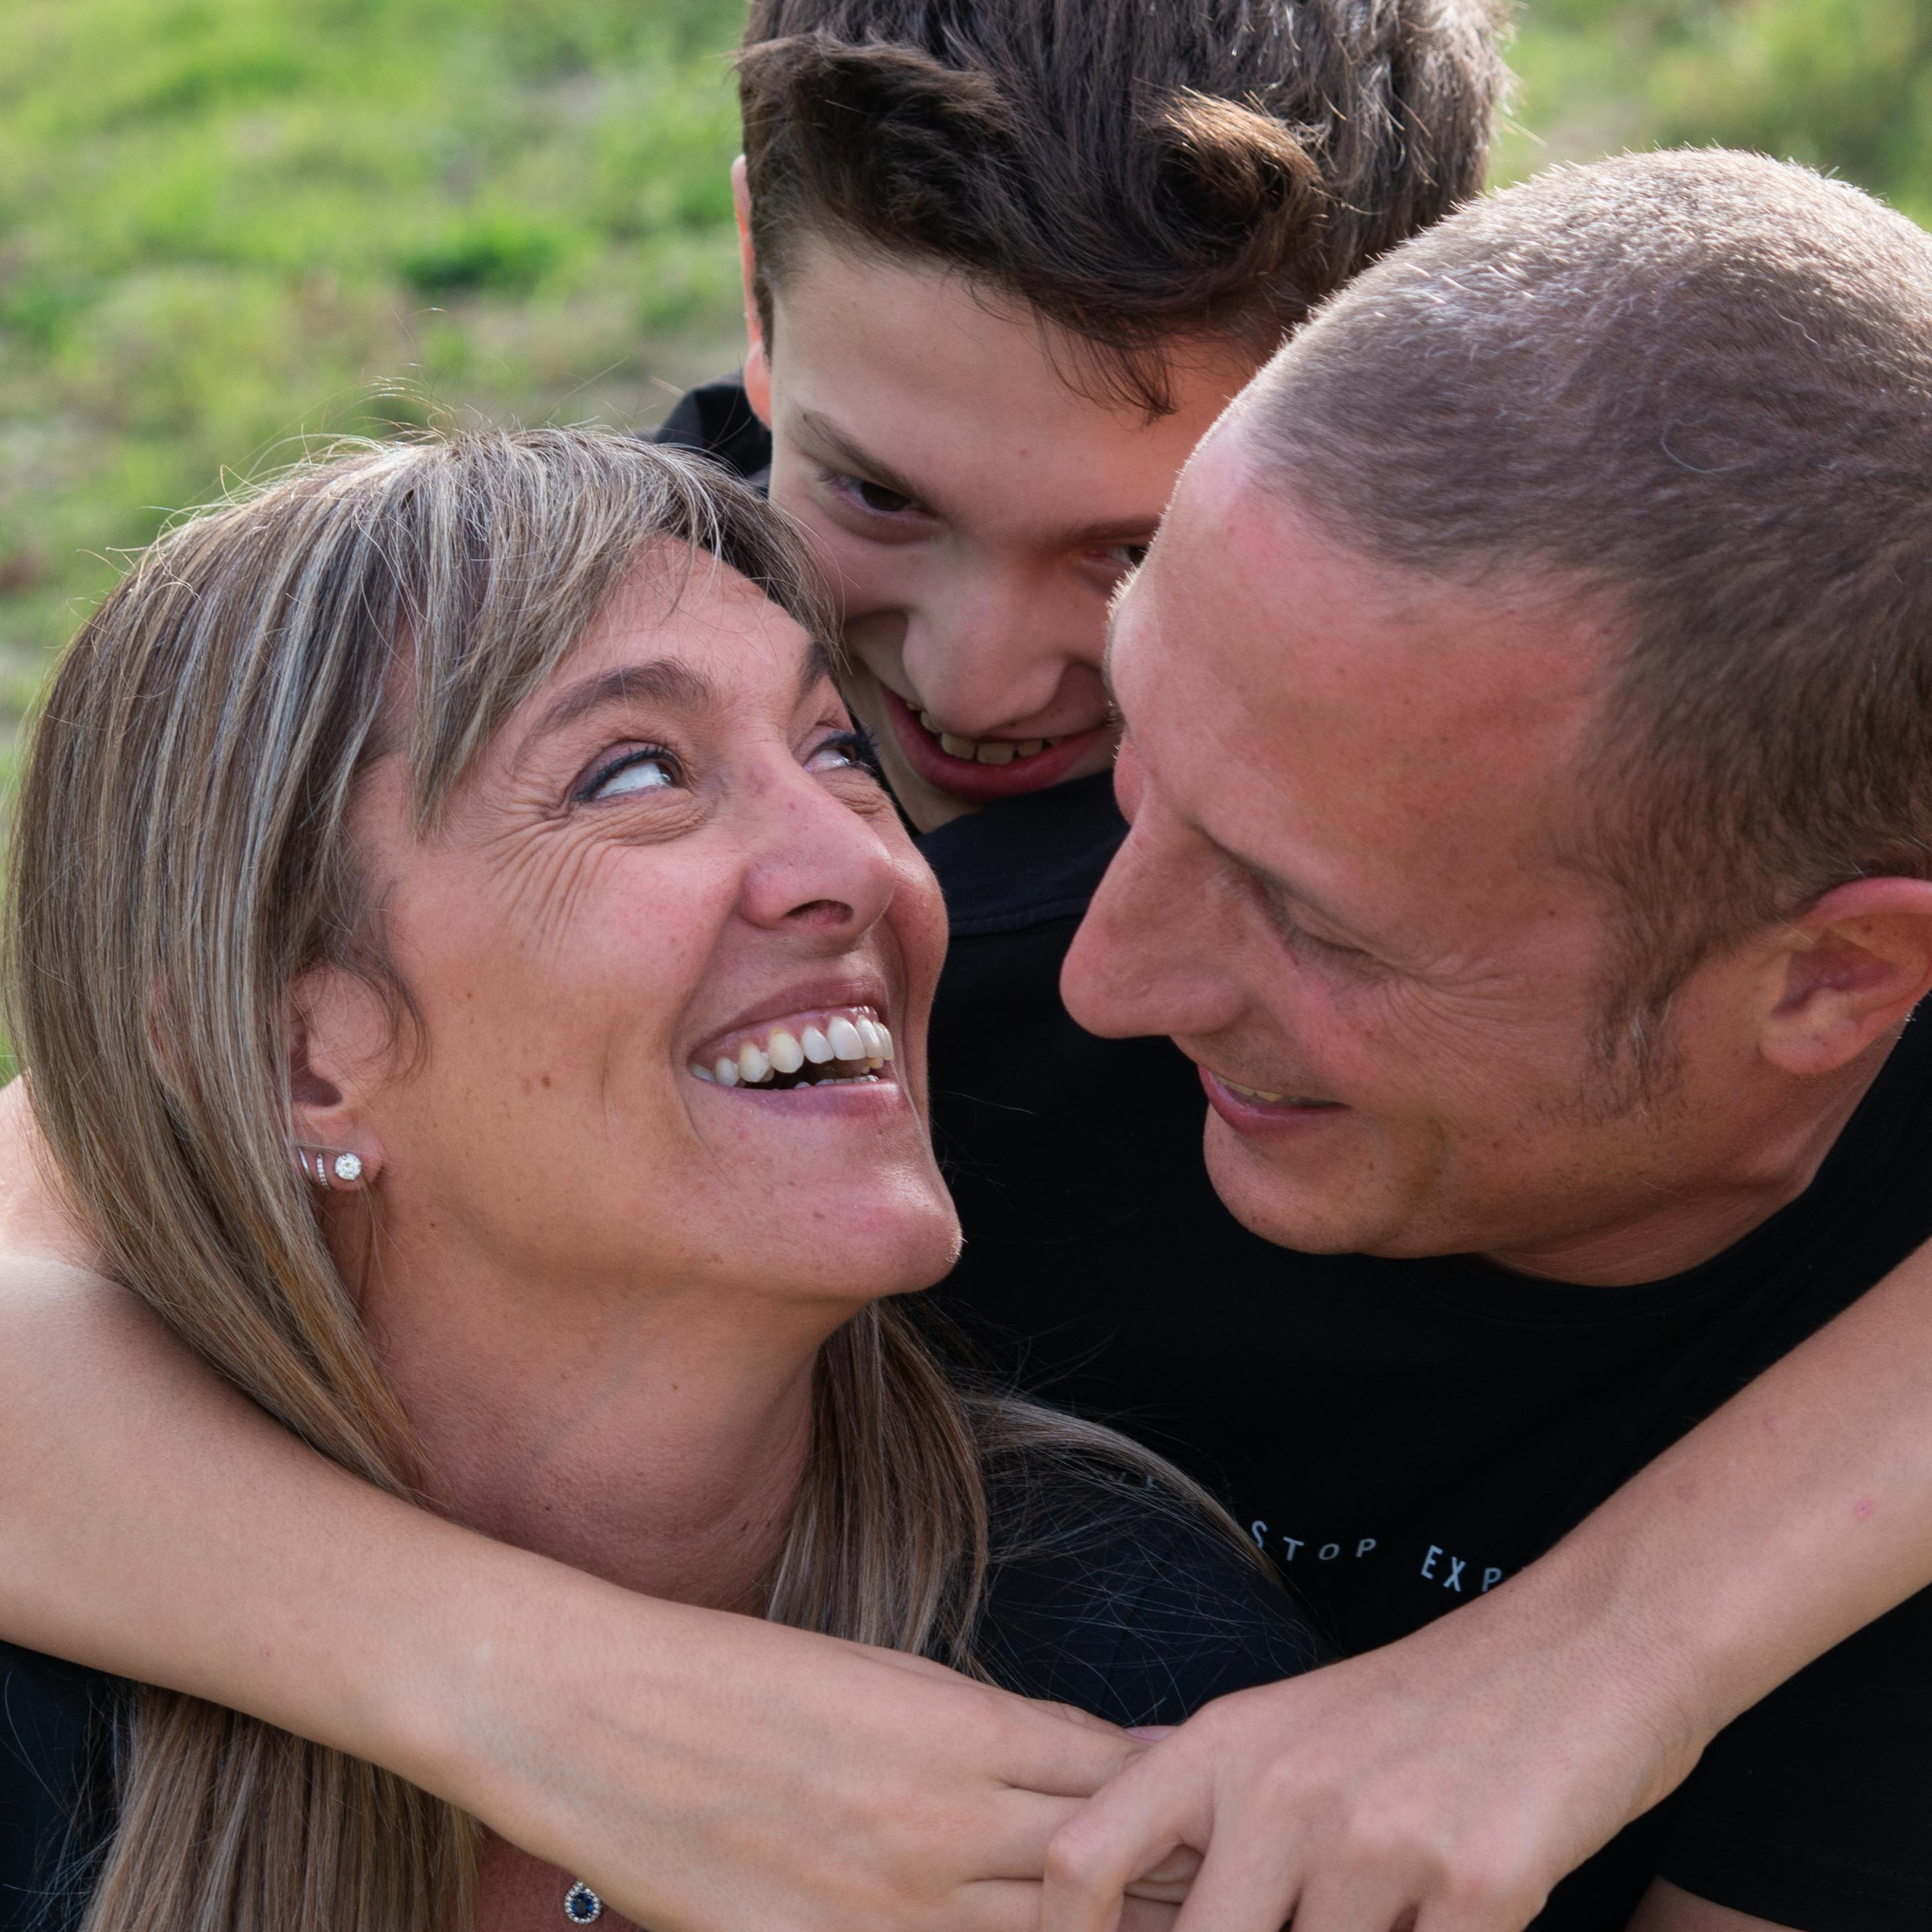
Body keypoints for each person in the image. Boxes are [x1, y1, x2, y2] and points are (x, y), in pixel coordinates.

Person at [7, 0, 1932, 1923]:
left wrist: (1598, 1656)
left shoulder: (1753, 756)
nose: (971, 702)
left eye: (1127, 558)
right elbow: (143, 1131)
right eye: (871, 497)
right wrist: (558, 1703)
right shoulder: (730, 821)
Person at [0, 429, 1321, 1932]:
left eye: (837, 750)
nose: (856, 860)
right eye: (636, 771)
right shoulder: (51, 1701)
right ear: (302, 1054)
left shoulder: (1125, 1673)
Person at [1039, 149, 1932, 1932]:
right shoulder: (902, 1023)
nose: (1101, 973)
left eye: (1309, 915)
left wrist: (1598, 1658)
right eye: (1134, 741)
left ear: (1834, 979)